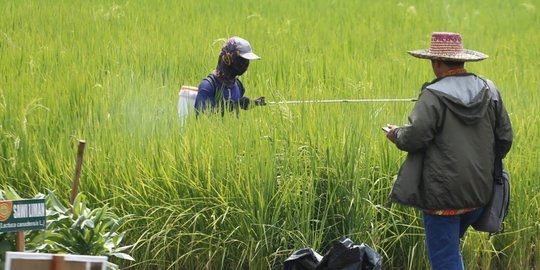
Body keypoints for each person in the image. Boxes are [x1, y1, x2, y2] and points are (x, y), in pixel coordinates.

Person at [384, 32, 513, 269]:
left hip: (443, 200)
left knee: (445, 260)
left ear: (436, 62)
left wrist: (395, 134)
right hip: (479, 194)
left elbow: (414, 138)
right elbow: (505, 139)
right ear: (463, 60)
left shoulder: (432, 95)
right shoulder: (489, 90)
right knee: (451, 252)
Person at [194, 36, 266, 117]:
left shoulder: (239, 86)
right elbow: (204, 118)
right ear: (228, 58)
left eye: (247, 60)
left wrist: (252, 103)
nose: (245, 64)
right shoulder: (208, 86)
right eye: (241, 59)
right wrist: (235, 105)